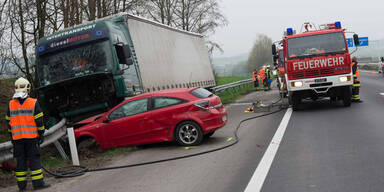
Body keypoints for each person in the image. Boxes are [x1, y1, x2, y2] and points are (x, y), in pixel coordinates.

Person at [5, 77, 50, 191]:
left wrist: (12, 137)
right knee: (34, 160)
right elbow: (39, 121)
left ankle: (22, 187)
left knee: (20, 162)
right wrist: (41, 134)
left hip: (17, 140)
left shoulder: (11, 104)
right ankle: (38, 184)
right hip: (31, 138)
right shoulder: (33, 103)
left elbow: (9, 123)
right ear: (27, 88)